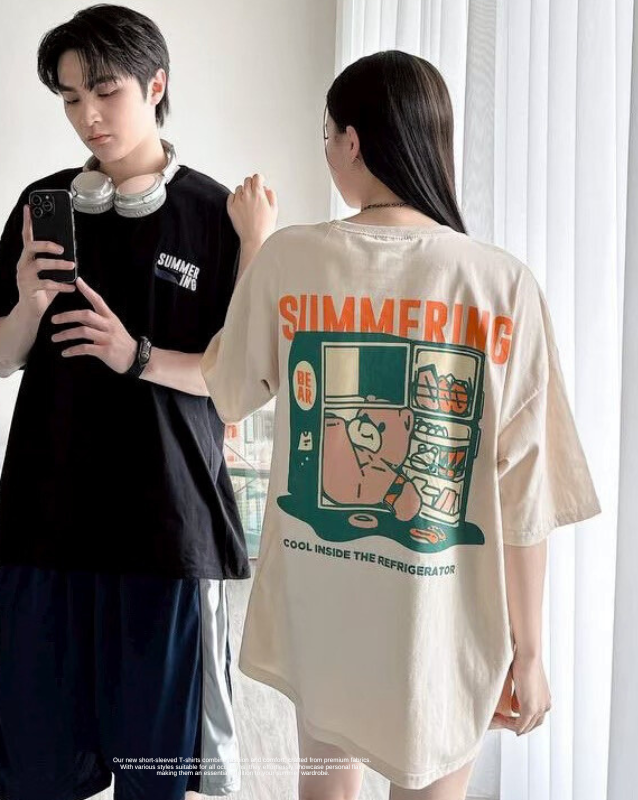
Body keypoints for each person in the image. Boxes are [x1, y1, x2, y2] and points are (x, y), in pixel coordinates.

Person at [202, 51, 602, 800]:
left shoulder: (291, 258)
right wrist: (528, 651)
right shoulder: (501, 283)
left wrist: (254, 243)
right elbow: (525, 494)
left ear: (352, 141)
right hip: (443, 624)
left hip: (323, 610)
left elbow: (226, 390)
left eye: (327, 135)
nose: (327, 152)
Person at [0, 5, 275, 799]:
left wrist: (133, 355)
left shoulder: (213, 215)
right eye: (70, 98)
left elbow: (239, 378)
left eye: (104, 92)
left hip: (163, 528)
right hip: (45, 520)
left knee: (153, 778)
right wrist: (29, 302)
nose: (88, 116)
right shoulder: (43, 204)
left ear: (155, 86)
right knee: (39, 772)